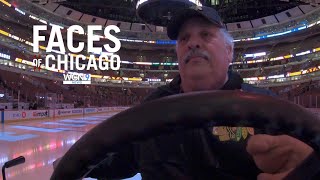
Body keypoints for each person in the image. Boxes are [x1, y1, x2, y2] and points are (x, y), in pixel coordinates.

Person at [54, 5, 318, 180]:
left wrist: (309, 167)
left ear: (229, 52)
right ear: (178, 54)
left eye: (205, 35)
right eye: (183, 39)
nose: (193, 43)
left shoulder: (266, 109)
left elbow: (302, 159)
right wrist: (76, 163)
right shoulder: (152, 107)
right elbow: (123, 160)